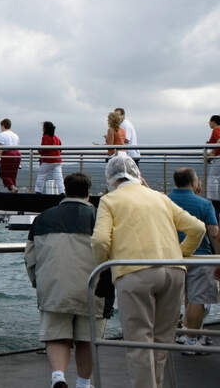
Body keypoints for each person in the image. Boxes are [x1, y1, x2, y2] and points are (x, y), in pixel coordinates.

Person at [91, 155, 204, 388]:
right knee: (162, 340)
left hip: (134, 272)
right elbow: (198, 228)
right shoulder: (159, 197)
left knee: (139, 341)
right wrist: (181, 253)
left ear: (111, 178)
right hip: (173, 270)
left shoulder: (109, 200)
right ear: (137, 174)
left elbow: (100, 241)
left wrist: (102, 267)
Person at [25, 173, 102, 388]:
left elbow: (30, 256)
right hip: (92, 289)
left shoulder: (42, 218)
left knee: (57, 336)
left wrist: (38, 282)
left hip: (54, 288)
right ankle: (83, 383)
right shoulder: (99, 217)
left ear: (65, 191)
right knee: (86, 339)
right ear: (88, 192)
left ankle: (58, 376)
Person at [167, 167, 219, 353]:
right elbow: (214, 232)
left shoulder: (165, 201)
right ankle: (191, 340)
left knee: (185, 297)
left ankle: (185, 333)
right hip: (200, 257)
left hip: (172, 257)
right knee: (198, 299)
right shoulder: (204, 204)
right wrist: (218, 258)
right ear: (194, 182)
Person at [36, 121, 64, 195]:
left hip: (48, 160)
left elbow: (44, 149)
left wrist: (39, 151)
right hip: (57, 160)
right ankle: (62, 192)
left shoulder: (45, 137)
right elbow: (60, 149)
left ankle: (38, 191)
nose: (42, 129)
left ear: (45, 128)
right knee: (59, 178)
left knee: (41, 175)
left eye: (43, 127)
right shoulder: (57, 138)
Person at [0, 118, 21, 192]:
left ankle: (13, 188)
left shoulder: (2, 134)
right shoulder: (15, 135)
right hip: (17, 154)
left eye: (1, 126)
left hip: (8, 154)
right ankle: (13, 190)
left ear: (3, 125)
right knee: (12, 175)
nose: (0, 128)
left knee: (3, 173)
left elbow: (0, 147)